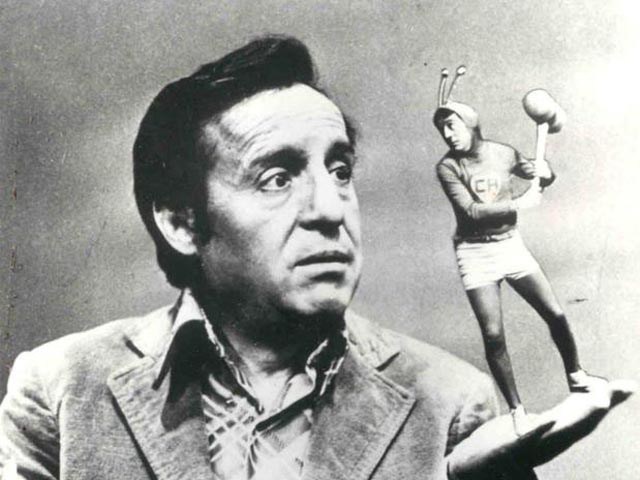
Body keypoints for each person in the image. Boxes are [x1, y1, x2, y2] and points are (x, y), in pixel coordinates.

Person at [0, 37, 632, 480]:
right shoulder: (58, 392)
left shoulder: (455, 403)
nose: (331, 210)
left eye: (340, 171)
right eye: (277, 177)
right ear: (182, 223)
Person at [433, 67, 607, 436]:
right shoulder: (447, 167)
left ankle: (577, 375)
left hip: (510, 246)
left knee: (555, 313)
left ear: (470, 123)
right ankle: (517, 411)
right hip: (474, 254)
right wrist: (519, 204)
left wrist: (546, 172)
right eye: (442, 129)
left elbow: (538, 177)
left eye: (452, 126)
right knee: (493, 335)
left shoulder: (504, 153)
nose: (448, 134)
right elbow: (471, 211)